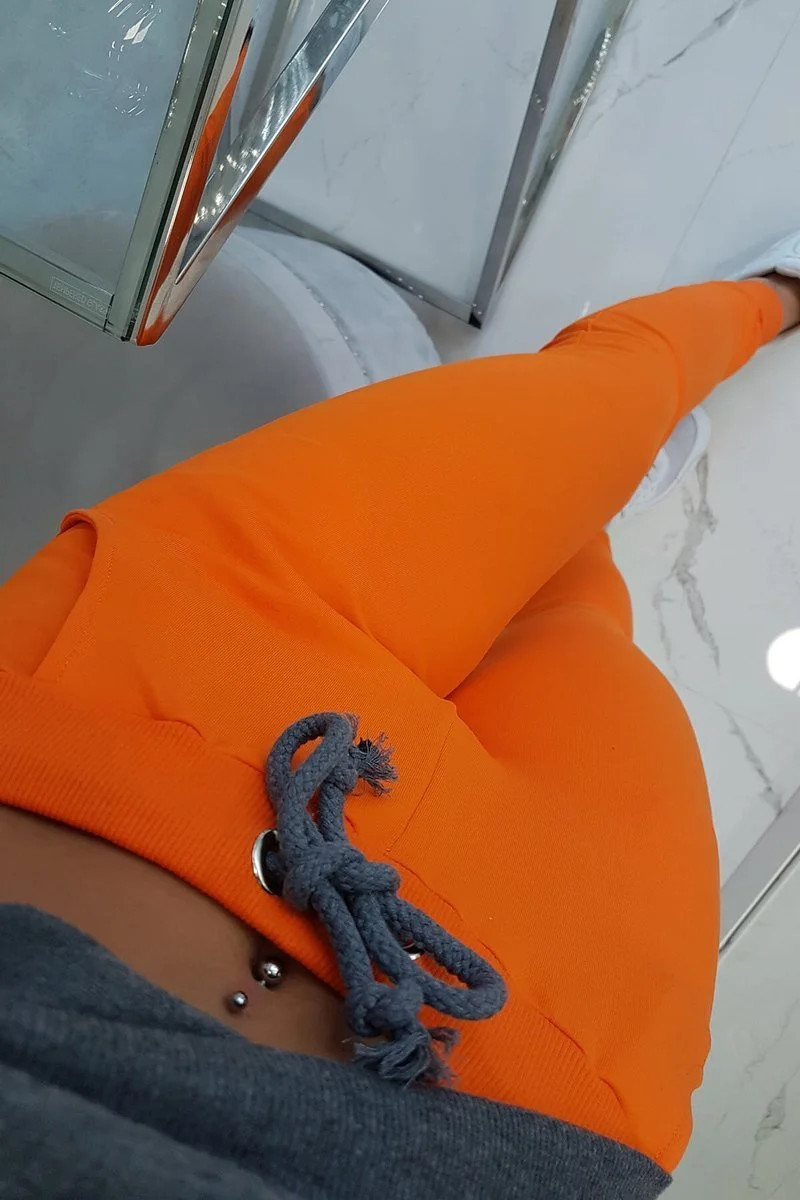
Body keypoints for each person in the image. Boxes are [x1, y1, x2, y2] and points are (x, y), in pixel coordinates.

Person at [1, 238, 799, 1199]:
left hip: (119, 708)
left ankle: (765, 303)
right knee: (578, 603)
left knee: (610, 391)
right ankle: (601, 491)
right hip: (543, 1059)